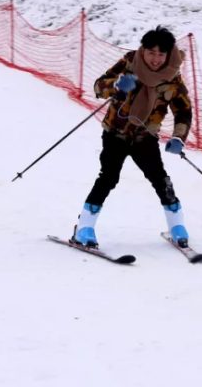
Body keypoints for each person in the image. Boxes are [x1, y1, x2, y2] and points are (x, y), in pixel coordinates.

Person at [71, 26, 194, 249]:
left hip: (145, 137)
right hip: (115, 134)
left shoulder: (173, 78)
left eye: (161, 54)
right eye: (151, 52)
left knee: (160, 179)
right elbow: (99, 86)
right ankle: (84, 228)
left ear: (168, 54)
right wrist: (116, 86)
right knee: (108, 178)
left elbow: (183, 110)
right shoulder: (129, 63)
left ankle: (177, 225)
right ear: (143, 50)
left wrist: (178, 137)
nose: (155, 59)